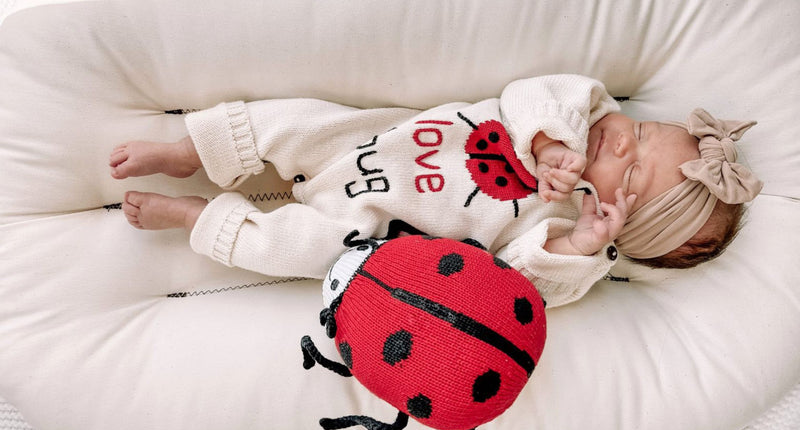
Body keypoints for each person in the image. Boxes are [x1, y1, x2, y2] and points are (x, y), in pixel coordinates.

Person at [108, 74, 762, 307]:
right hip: (373, 141)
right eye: (642, 132)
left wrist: (581, 240)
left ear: (624, 222)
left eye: (636, 170)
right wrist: (547, 143)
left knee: (301, 252)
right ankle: (186, 149)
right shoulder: (577, 114)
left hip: (375, 229)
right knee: (293, 120)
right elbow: (530, 93)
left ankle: (196, 216)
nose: (623, 143)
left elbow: (525, 281)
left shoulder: (566, 235)